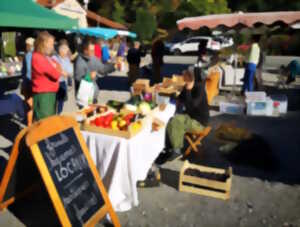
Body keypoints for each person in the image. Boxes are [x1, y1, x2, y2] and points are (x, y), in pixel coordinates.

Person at [166, 66, 209, 155]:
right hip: (191, 117)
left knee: (175, 121)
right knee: (170, 119)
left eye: (187, 76)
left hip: (199, 122)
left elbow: (191, 106)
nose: (184, 78)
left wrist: (188, 91)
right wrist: (169, 95)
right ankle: (169, 145)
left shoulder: (200, 89)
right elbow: (180, 98)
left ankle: (177, 150)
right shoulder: (187, 86)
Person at [31, 31, 67, 121]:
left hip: (49, 96)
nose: (52, 47)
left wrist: (57, 68)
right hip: (44, 96)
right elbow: (55, 74)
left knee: (49, 123)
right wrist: (57, 69)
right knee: (44, 124)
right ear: (43, 43)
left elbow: (57, 65)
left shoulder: (45, 57)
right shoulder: (38, 57)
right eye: (51, 44)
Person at [52, 42, 73, 114]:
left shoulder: (67, 59)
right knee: (54, 100)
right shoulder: (54, 58)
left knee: (61, 100)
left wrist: (66, 72)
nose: (67, 52)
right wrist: (61, 71)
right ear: (61, 51)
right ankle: (53, 114)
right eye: (66, 51)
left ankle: (59, 113)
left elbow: (70, 70)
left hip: (63, 82)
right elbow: (53, 68)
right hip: (54, 82)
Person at [20, 37, 35, 126]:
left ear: (28, 45)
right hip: (33, 83)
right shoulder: (37, 53)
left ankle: (29, 124)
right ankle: (31, 122)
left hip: (29, 83)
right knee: (31, 105)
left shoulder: (29, 54)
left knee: (30, 106)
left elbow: (29, 72)